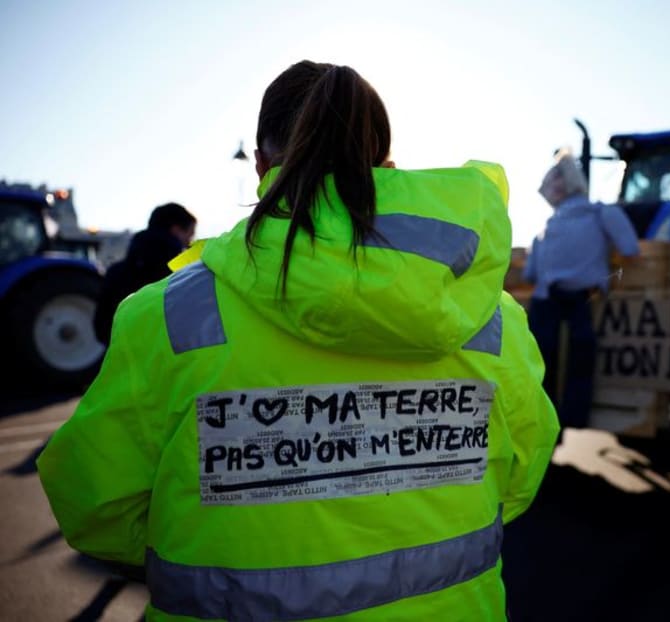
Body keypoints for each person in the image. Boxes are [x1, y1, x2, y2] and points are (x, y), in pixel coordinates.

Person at [37, 60, 559, 622]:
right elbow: (521, 472)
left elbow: (97, 506)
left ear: (262, 164)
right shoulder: (489, 318)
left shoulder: (169, 315)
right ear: (384, 165)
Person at [523, 149, 639, 433]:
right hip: (570, 301)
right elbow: (630, 250)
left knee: (544, 361)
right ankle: (563, 419)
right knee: (575, 358)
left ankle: (545, 423)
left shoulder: (555, 228)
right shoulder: (597, 216)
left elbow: (530, 274)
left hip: (558, 302)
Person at [93, 202, 197, 345]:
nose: (189, 244)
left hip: (123, 360)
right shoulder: (184, 274)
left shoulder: (115, 272)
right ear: (176, 230)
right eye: (189, 236)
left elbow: (101, 329)